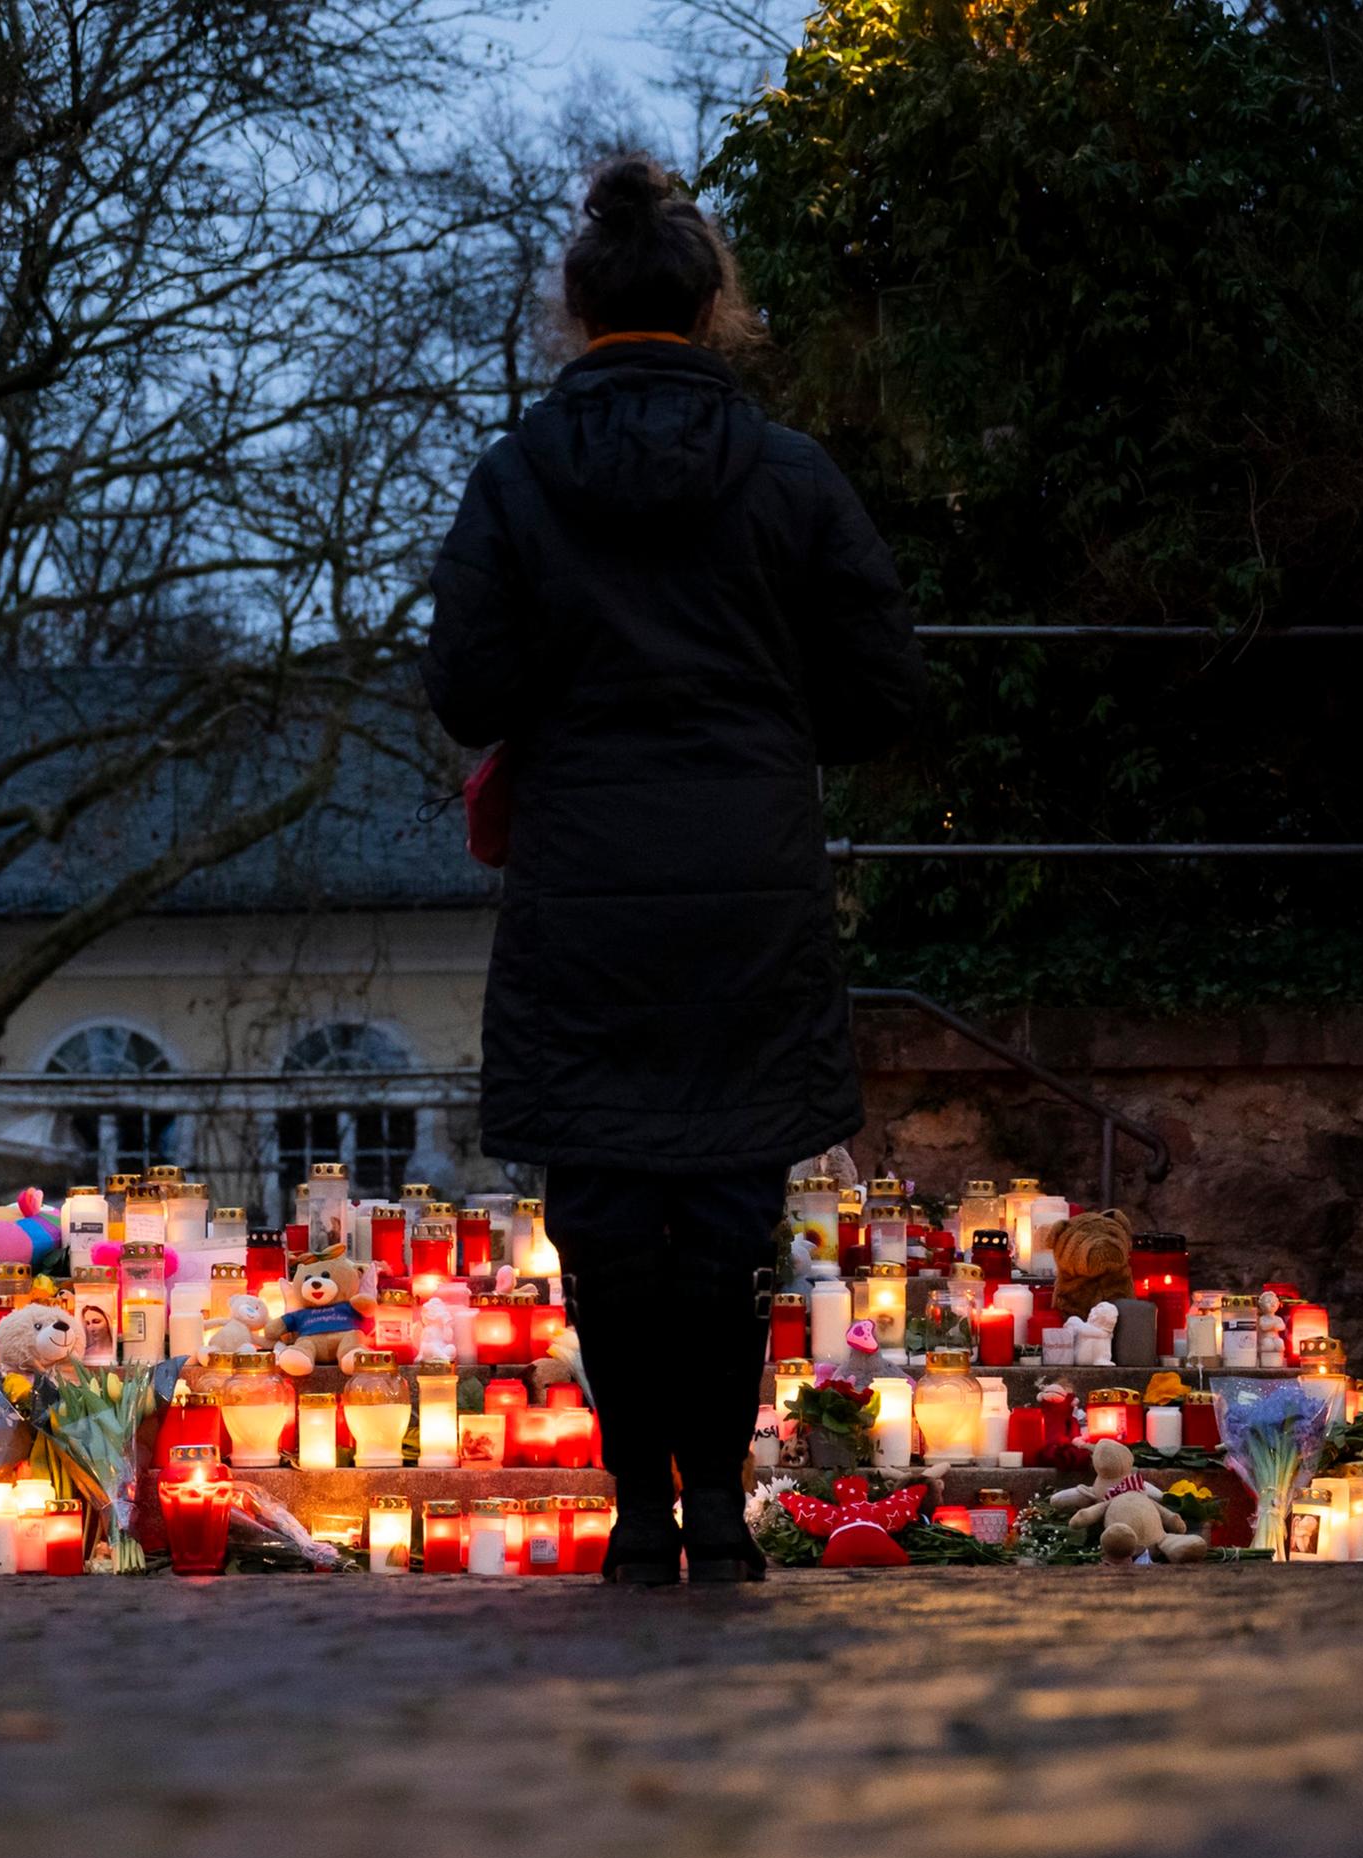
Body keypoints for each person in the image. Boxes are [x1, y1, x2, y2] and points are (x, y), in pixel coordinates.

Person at [422, 154, 926, 1584]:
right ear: (714, 308)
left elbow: (471, 687)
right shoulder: (788, 477)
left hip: (585, 883)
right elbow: (884, 690)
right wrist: (764, 729)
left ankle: (639, 1510)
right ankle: (717, 1501)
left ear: (573, 310)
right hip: (748, 882)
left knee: (603, 1209)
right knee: (724, 1208)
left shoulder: (518, 480)